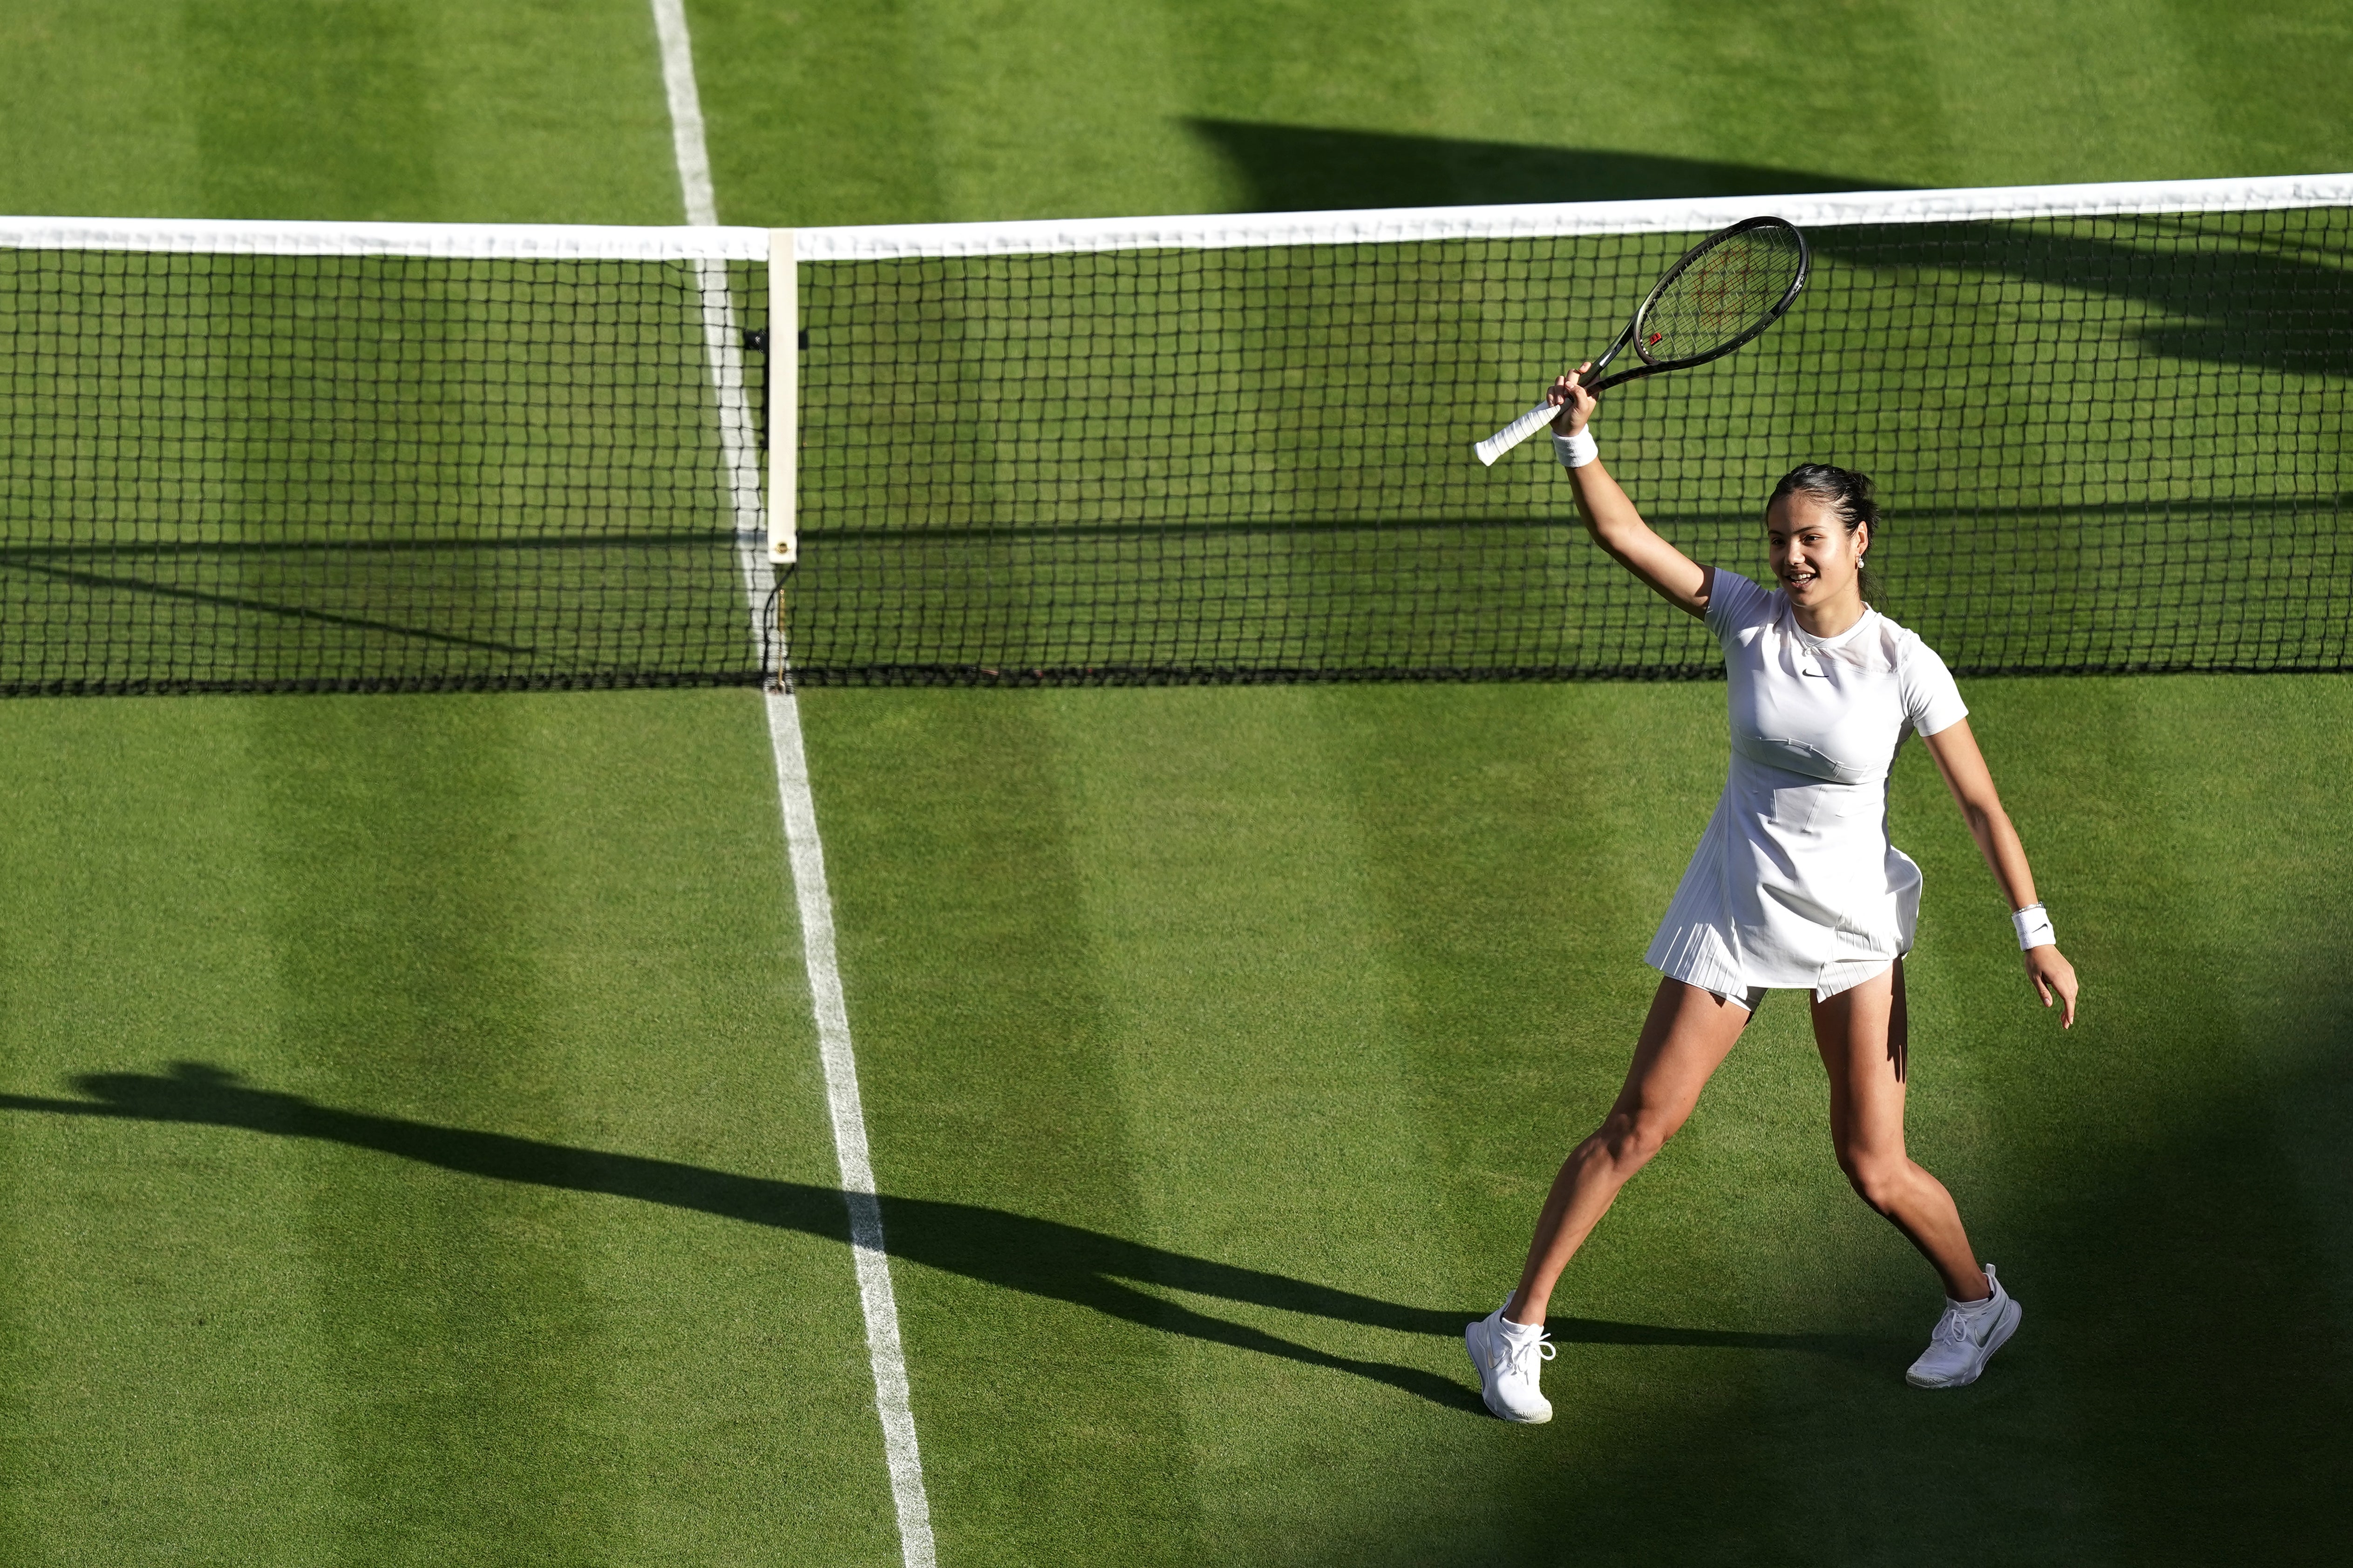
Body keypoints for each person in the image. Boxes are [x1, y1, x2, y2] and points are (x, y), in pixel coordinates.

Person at [1465, 366, 2081, 1424]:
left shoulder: (1905, 664)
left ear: (1859, 541)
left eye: (1811, 538)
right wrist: (1577, 440)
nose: (1791, 556)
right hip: (1734, 916)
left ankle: (1978, 1305)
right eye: (1780, 538)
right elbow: (1628, 538)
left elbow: (1980, 804)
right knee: (1637, 1126)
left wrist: (2037, 933)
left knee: (1874, 1165)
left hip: (1852, 926)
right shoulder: (1747, 616)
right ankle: (1511, 1329)